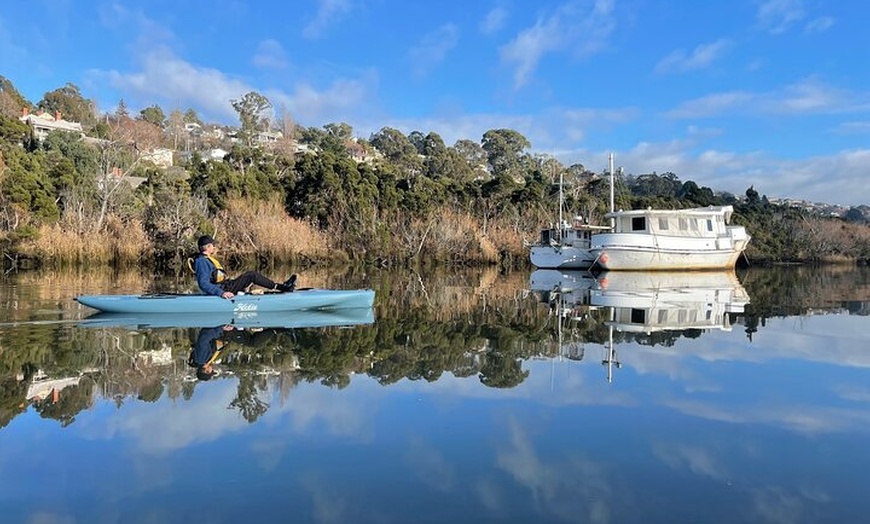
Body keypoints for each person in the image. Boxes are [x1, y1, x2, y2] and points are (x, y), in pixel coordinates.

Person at [192, 235, 296, 299]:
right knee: (252, 275)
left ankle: (281, 287)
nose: (214, 247)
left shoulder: (206, 259)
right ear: (207, 247)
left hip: (226, 285)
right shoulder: (202, 262)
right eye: (212, 245)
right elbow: (203, 284)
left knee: (250, 276)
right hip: (224, 289)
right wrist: (222, 293)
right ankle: (282, 287)